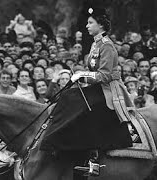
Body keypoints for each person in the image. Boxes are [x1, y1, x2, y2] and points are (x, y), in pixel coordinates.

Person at [40, 7, 133, 176]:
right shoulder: (95, 44)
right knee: (68, 97)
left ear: (101, 26)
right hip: (96, 87)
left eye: (91, 23)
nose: (87, 26)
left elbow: (104, 75)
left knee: (87, 109)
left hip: (108, 90)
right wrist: (81, 73)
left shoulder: (107, 46)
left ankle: (94, 157)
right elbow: (92, 69)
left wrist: (83, 75)